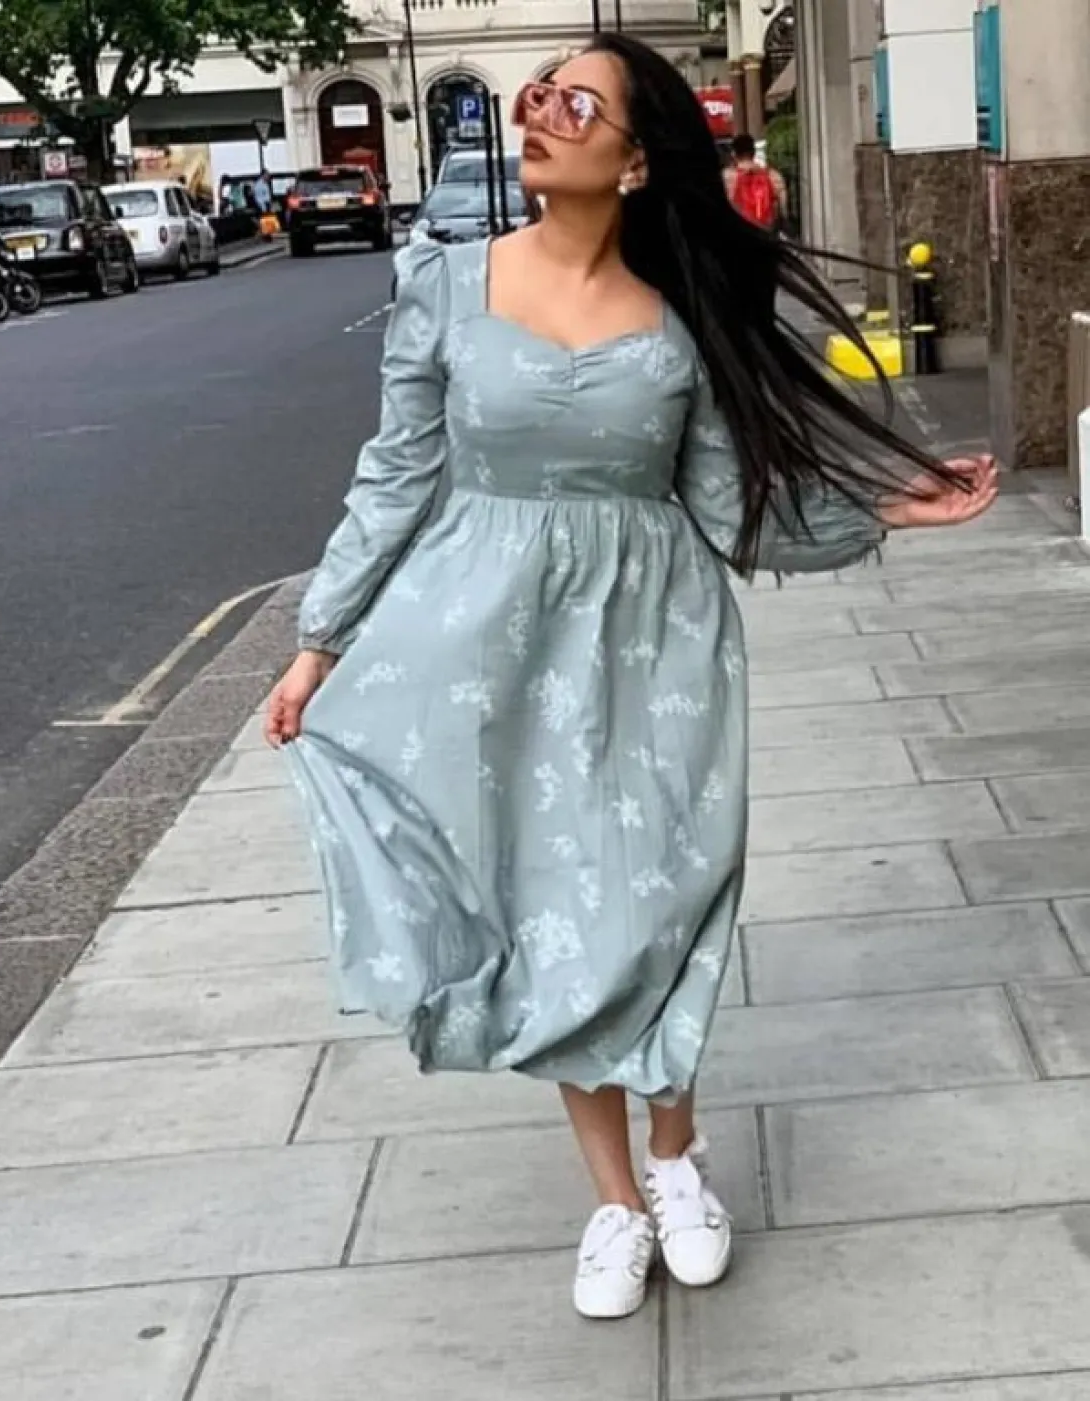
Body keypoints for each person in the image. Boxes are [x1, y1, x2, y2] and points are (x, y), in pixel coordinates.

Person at [265, 35, 997, 1322]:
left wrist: (891, 507)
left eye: (574, 101)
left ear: (639, 158)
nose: (539, 113)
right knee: (551, 906)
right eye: (536, 93)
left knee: (659, 893)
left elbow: (725, 505)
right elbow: (397, 473)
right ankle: (614, 1202)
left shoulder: (679, 320)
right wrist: (322, 639)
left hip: (657, 644)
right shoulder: (445, 283)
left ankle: (676, 1157)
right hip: (488, 646)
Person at [724, 133, 787, 230]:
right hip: (765, 230)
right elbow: (783, 206)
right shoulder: (773, 175)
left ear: (734, 154)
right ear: (753, 152)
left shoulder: (728, 176)